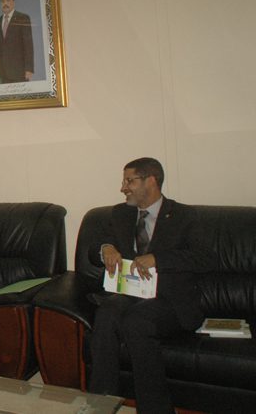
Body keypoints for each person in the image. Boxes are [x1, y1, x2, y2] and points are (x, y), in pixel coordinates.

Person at [87, 158, 214, 413]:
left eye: (130, 181)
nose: (123, 188)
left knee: (137, 322)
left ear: (151, 181)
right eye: (124, 181)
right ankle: (100, 404)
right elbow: (94, 249)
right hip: (132, 293)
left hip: (170, 301)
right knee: (107, 313)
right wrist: (106, 248)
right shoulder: (120, 213)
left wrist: (158, 258)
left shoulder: (184, 216)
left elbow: (204, 258)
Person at [0, 0, 34, 83]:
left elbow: (28, 45)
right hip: (3, 72)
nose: (5, 3)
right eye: (2, 1)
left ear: (13, 2)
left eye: (8, 0)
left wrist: (29, 69)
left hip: (20, 71)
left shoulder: (23, 18)